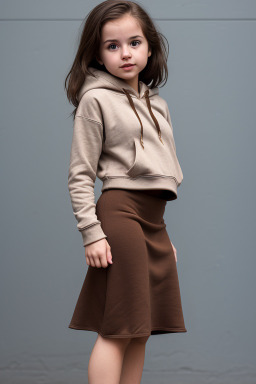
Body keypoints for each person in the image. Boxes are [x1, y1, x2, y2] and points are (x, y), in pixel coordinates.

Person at [64, 1, 187, 383]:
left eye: (134, 42)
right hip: (120, 214)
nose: (126, 53)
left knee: (140, 328)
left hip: (154, 221)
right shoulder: (95, 100)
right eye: (112, 46)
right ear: (97, 55)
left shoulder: (159, 104)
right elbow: (80, 175)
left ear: (150, 47)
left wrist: (163, 235)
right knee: (118, 327)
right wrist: (92, 232)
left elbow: (159, 174)